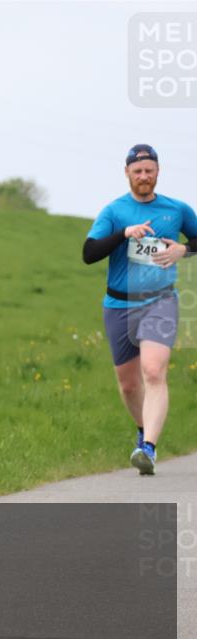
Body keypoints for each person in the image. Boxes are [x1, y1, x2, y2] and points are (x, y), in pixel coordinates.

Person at [82, 144, 197, 475]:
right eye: (137, 171)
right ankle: (143, 430)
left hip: (160, 300)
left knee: (153, 371)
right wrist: (124, 234)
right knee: (130, 385)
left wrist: (184, 250)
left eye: (149, 170)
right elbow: (89, 253)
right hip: (118, 304)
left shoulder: (176, 210)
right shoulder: (114, 211)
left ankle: (148, 447)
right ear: (127, 174)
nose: (144, 176)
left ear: (158, 172)